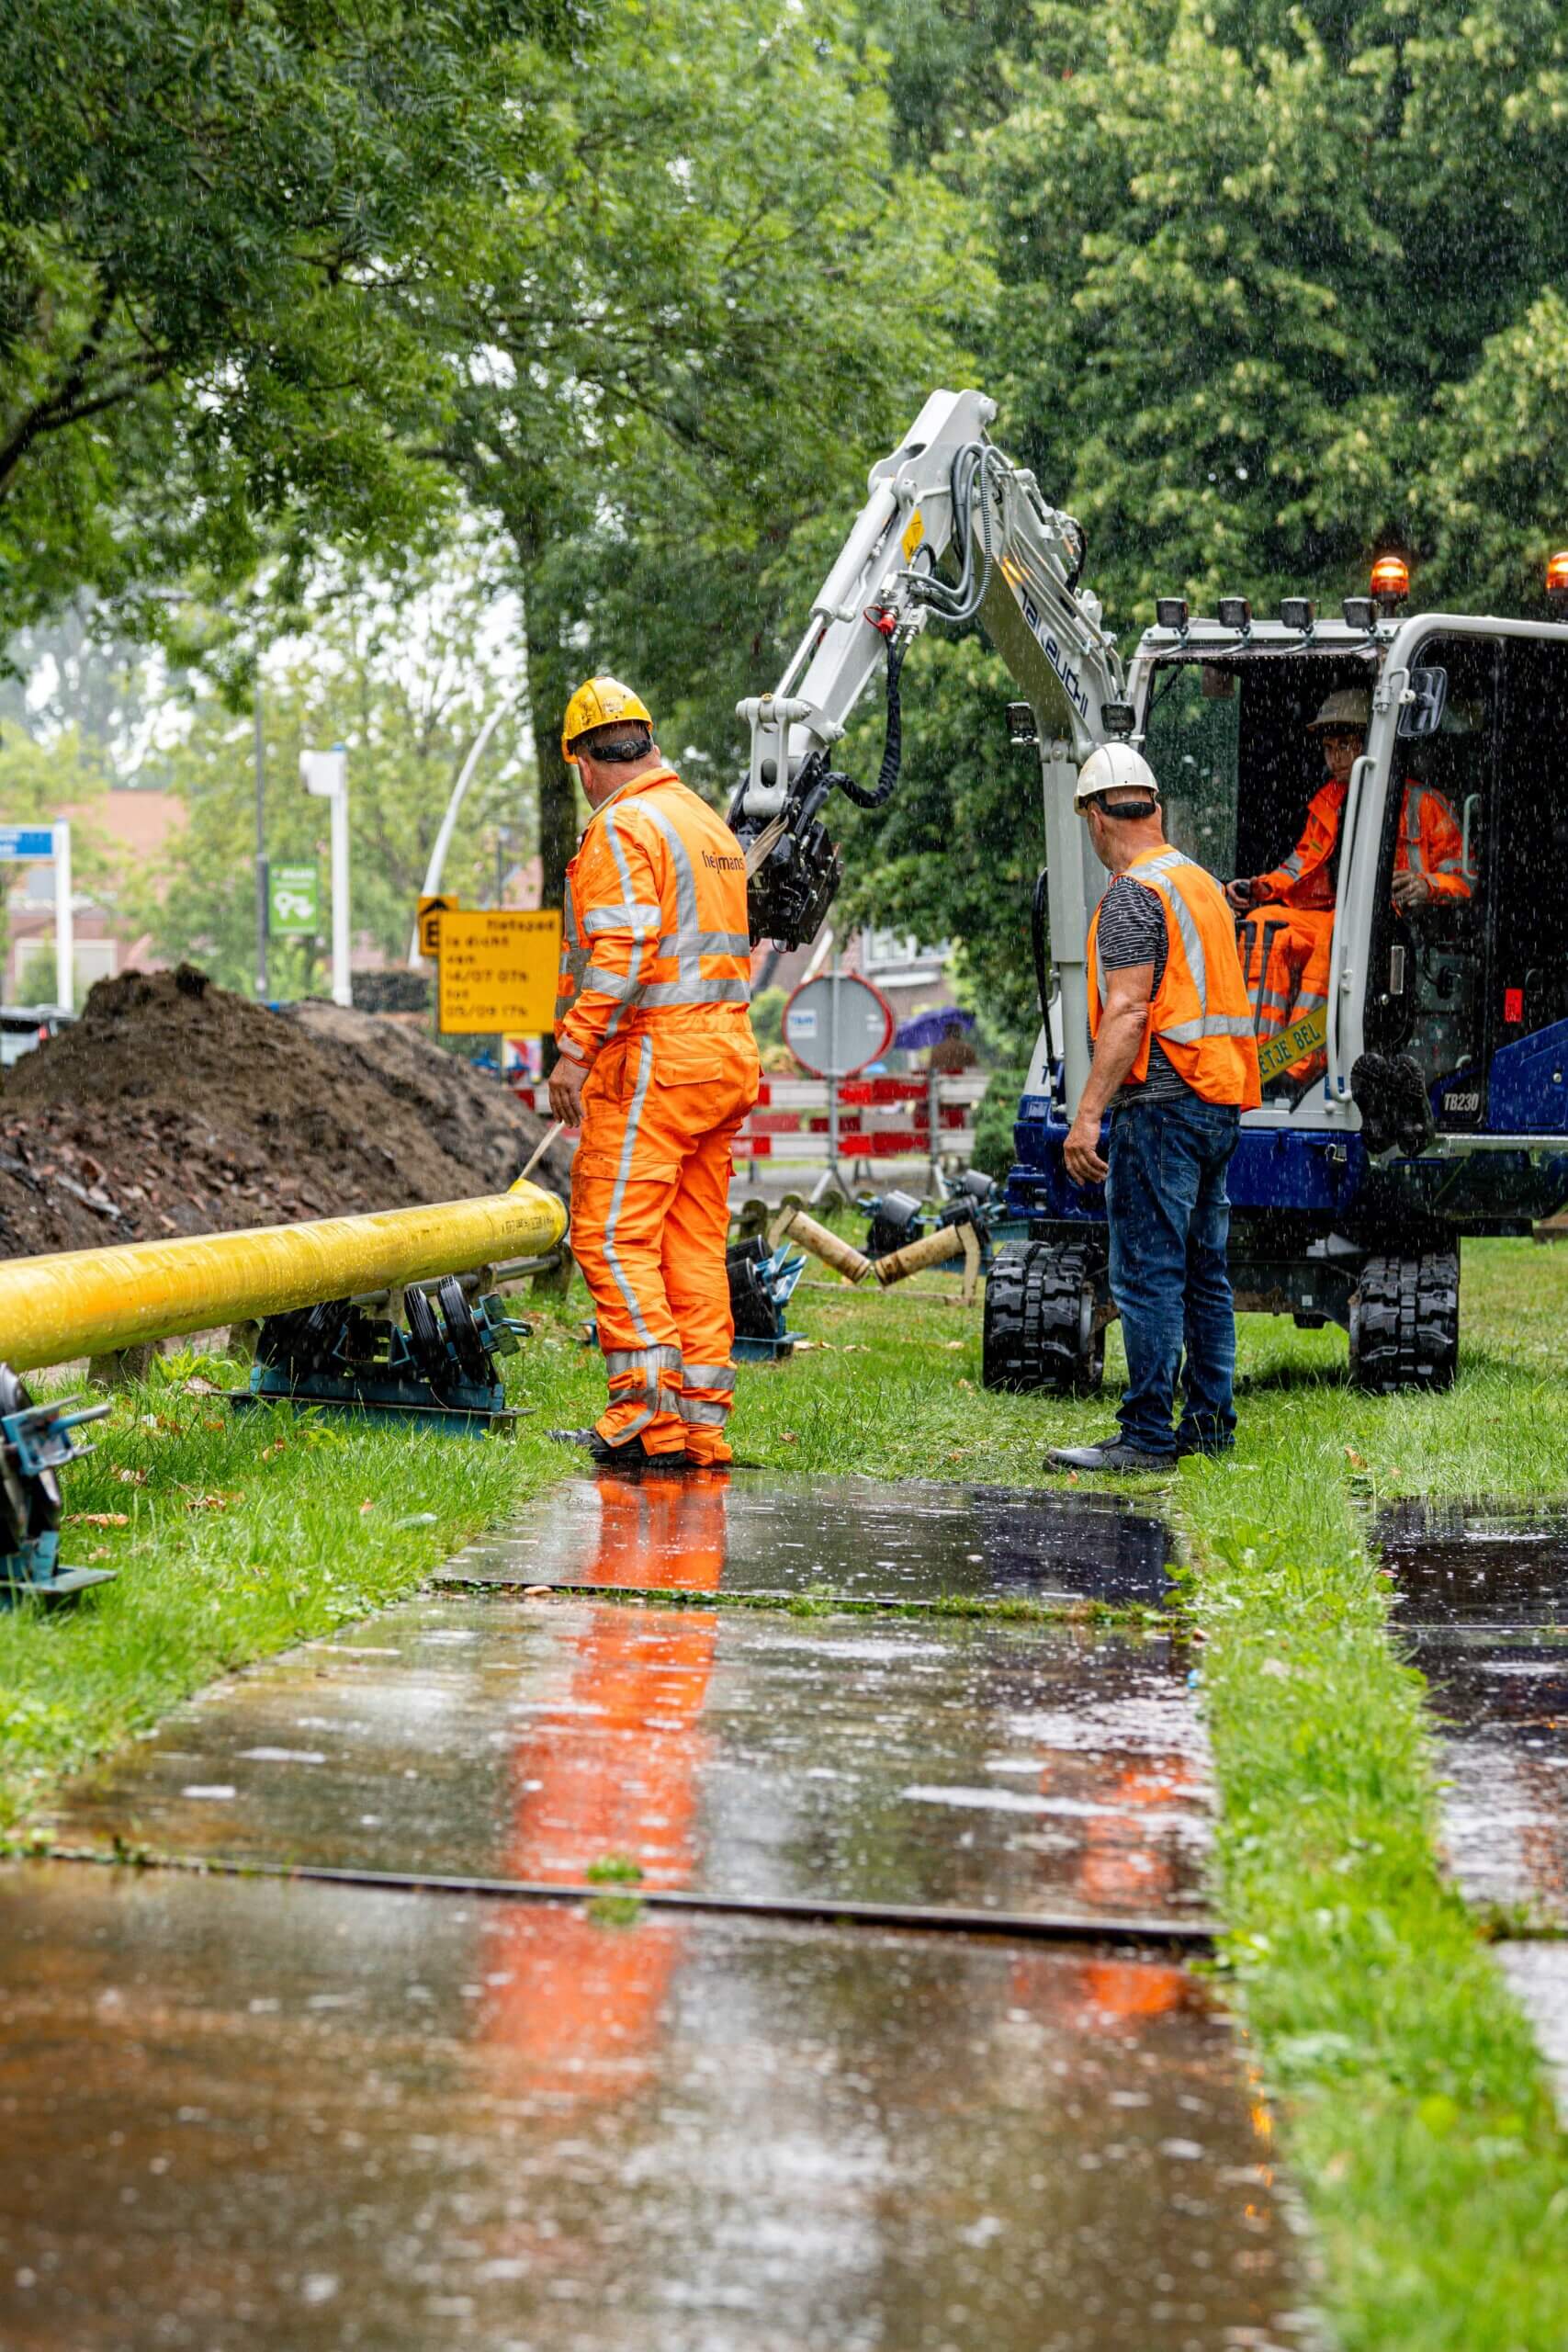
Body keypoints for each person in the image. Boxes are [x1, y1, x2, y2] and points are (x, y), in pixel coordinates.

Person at [547, 674, 759, 1468]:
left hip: (659, 1058)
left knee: (607, 1232)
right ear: (646, 740)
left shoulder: (621, 826)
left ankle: (644, 1414)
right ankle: (698, 1421)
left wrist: (575, 1051)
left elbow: (625, 947)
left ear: (583, 762)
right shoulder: (702, 822)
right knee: (689, 1241)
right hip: (723, 1055)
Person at [1047, 744, 1260, 1475]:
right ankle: (1208, 1427)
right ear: (1154, 807)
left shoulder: (1134, 894)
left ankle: (1144, 1435)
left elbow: (1130, 1010)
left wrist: (1086, 1116)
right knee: (1204, 1271)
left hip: (1161, 1108)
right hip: (1216, 1099)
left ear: (1096, 817)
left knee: (1145, 1273)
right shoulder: (1196, 882)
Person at [1227, 687, 1471, 1080]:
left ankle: (1299, 1068)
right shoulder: (1326, 803)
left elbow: (1466, 879)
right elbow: (1297, 868)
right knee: (1264, 924)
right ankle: (1257, 1060)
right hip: (1331, 914)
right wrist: (1256, 889)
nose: (1334, 757)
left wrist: (1427, 885)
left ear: (1369, 744)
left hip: (1391, 927)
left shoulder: (1422, 804)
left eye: (1345, 745)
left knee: (1334, 939)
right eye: (1328, 747)